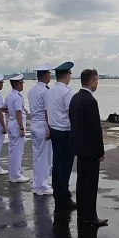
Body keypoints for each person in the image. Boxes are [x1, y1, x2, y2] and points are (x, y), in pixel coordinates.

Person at [69, 69, 107, 227]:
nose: (97, 83)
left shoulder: (75, 98)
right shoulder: (91, 101)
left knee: (81, 181)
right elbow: (95, 128)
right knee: (91, 183)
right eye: (96, 80)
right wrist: (100, 150)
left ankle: (82, 212)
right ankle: (90, 215)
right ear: (91, 82)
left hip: (79, 146)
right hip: (91, 148)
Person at [46, 61, 76, 209]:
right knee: (65, 165)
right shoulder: (67, 92)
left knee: (57, 163)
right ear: (67, 75)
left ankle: (58, 194)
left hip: (54, 131)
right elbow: (72, 113)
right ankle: (64, 197)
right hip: (65, 132)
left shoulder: (50, 91)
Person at [28, 64, 54, 195]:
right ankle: (42, 186)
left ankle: (37, 184)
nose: (50, 76)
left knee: (37, 156)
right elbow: (46, 111)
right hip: (43, 124)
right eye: (49, 74)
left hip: (34, 123)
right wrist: (49, 128)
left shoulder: (31, 90)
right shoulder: (46, 91)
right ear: (45, 76)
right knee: (44, 158)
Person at [5, 74, 30, 183]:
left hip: (11, 122)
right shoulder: (18, 97)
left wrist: (11, 112)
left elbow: (3, 108)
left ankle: (13, 173)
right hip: (16, 124)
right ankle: (16, 175)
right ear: (18, 84)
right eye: (21, 83)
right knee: (17, 151)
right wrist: (21, 128)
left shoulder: (9, 96)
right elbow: (18, 112)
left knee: (12, 150)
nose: (22, 86)